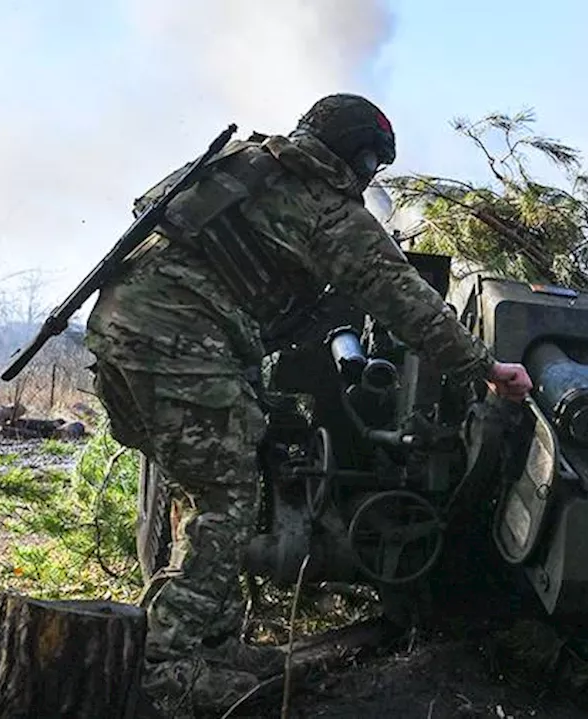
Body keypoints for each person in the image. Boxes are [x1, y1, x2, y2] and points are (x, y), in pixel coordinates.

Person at [84, 93, 533, 717]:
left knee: (206, 490)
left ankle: (215, 644)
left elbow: (153, 217)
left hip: (115, 324)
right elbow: (404, 299)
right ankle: (165, 666)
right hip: (181, 337)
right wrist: (487, 369)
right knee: (226, 501)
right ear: (361, 159)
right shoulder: (329, 209)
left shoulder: (241, 162)